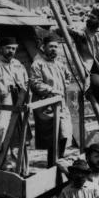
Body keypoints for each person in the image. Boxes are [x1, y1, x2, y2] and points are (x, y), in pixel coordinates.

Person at [29, 34, 72, 164]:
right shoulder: (38, 64)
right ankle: (52, 164)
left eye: (56, 47)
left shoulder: (60, 64)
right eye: (51, 47)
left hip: (61, 105)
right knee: (52, 137)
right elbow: (35, 83)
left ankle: (60, 159)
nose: (54, 49)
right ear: (44, 47)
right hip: (46, 106)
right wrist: (52, 90)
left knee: (65, 133)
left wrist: (63, 86)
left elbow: (68, 77)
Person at [0, 37, 28, 154]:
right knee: (0, 133)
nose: (11, 51)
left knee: (18, 136)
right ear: (0, 48)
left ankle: (17, 168)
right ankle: (0, 164)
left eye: (14, 49)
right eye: (8, 48)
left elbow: (25, 83)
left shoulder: (17, 64)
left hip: (17, 104)